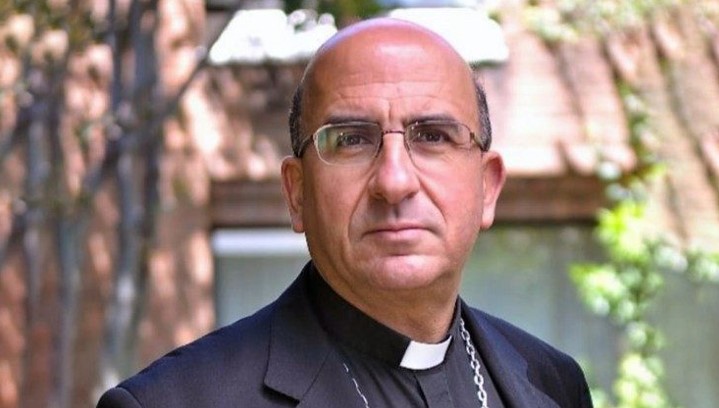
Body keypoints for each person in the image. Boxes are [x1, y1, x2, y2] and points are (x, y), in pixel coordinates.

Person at [97, 18, 593, 408]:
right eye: (351, 140)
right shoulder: (173, 402)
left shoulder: (553, 383)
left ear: (487, 188)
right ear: (297, 193)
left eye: (433, 136)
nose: (394, 182)